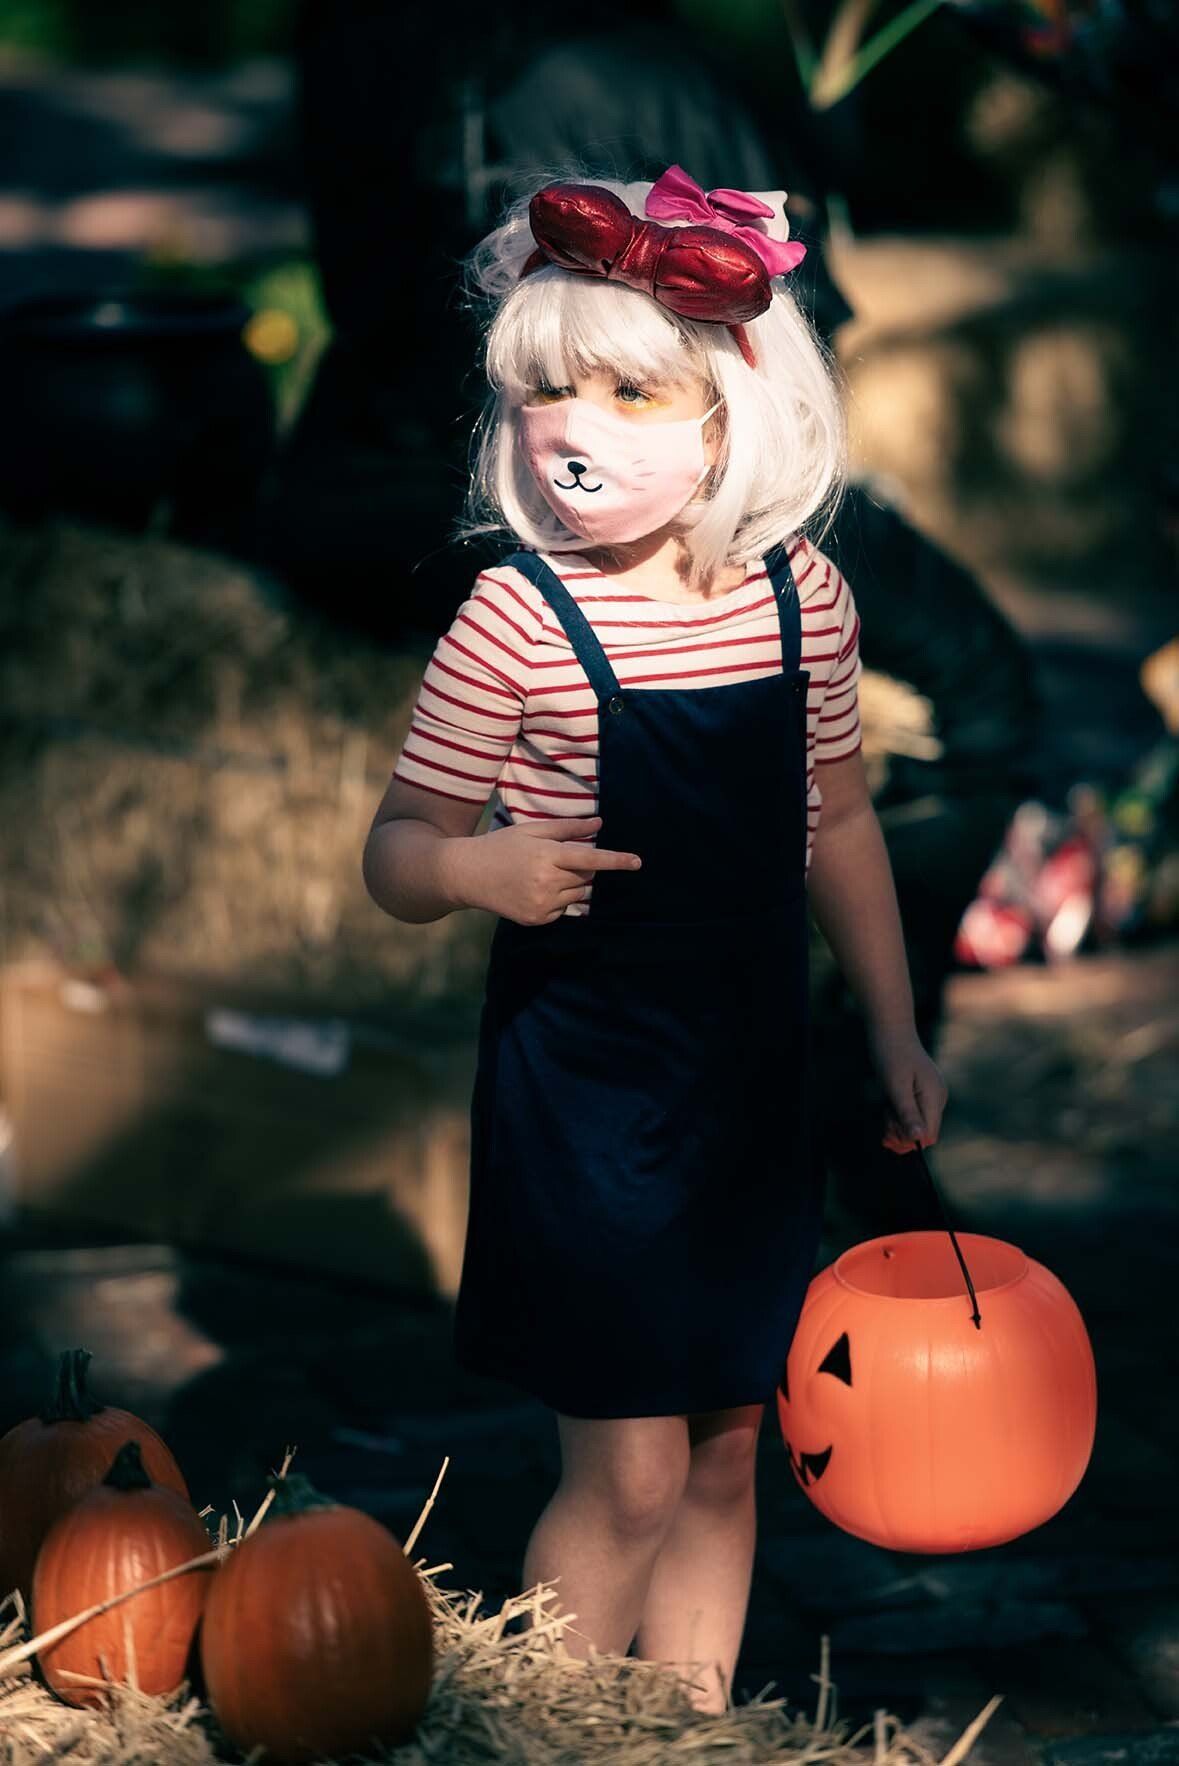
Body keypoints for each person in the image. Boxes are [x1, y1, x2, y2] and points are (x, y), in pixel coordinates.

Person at [362, 161, 948, 1714]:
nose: (574, 432)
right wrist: (479, 872)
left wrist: (889, 1026)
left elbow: (837, 821)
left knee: (730, 1444)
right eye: (544, 394)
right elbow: (396, 850)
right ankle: (547, 1730)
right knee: (622, 1467)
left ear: (731, 417)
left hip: (746, 1073)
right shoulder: (513, 620)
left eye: (630, 393)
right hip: (589, 1087)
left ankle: (682, 1731)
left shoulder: (798, 599)